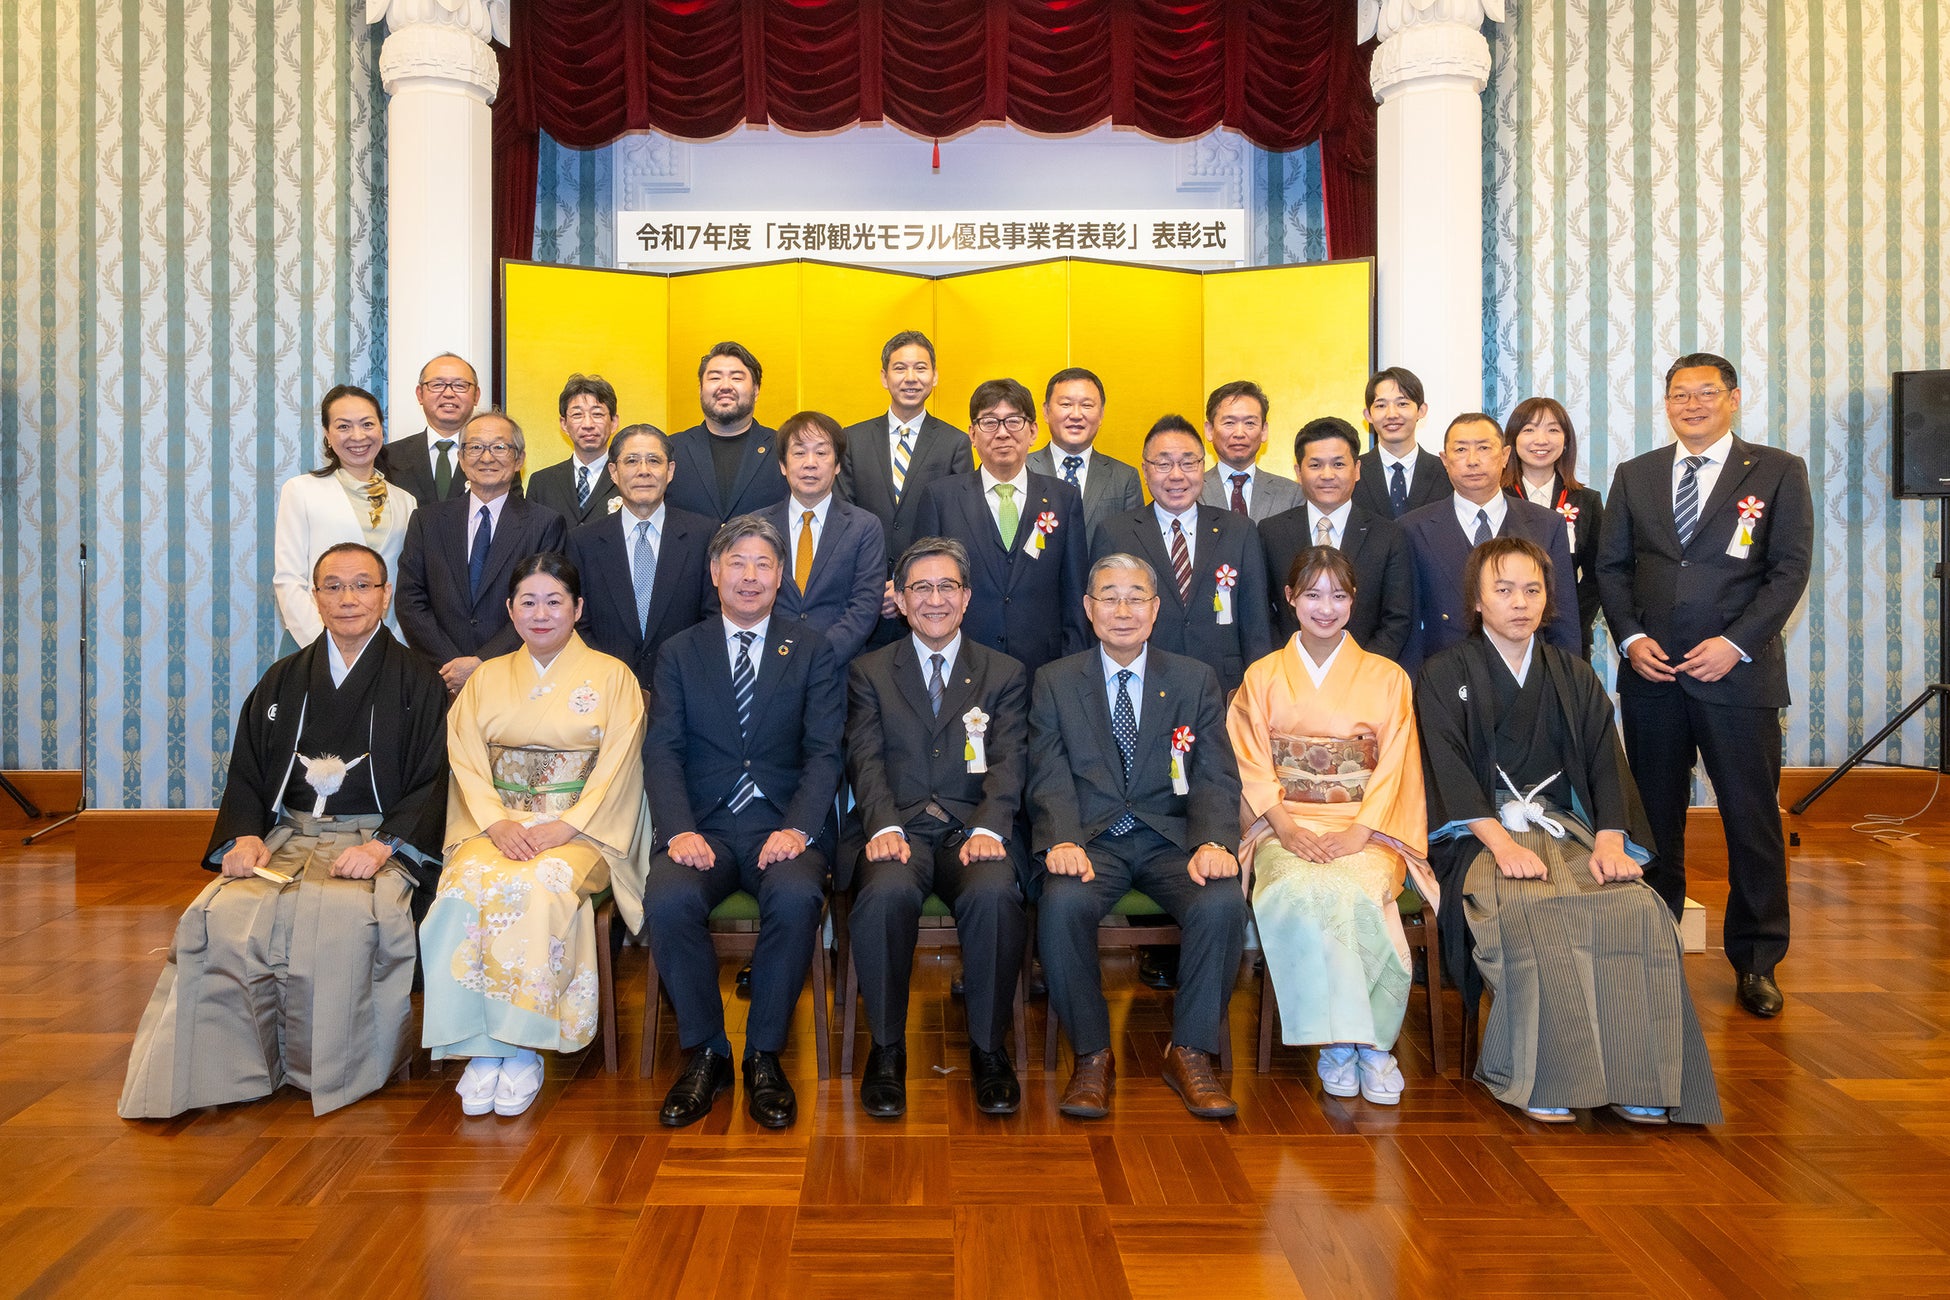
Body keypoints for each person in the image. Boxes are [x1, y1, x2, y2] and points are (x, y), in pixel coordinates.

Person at [120, 543, 450, 1118]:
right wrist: (245, 835)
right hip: (289, 837)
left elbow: (434, 777)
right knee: (221, 916)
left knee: (344, 920)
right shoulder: (284, 679)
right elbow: (248, 770)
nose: (348, 599)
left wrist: (383, 847)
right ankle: (231, 1071)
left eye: (363, 585)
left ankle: (330, 1072)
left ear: (385, 595)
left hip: (374, 841)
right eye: (333, 586)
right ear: (315, 598)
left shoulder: (418, 681)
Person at [1418, 537, 1721, 1124]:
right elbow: (1444, 768)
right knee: (1532, 910)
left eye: (1532, 590)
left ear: (1548, 599)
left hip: (1564, 831)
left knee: (1636, 907)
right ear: (1476, 600)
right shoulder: (1442, 674)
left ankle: (1640, 1074)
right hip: (1479, 837)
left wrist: (1610, 839)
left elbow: (1607, 762)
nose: (1520, 603)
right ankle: (1543, 1074)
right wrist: (1501, 844)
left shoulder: (1573, 675)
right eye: (1504, 590)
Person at [1597, 352, 1813, 1019]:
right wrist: (1631, 639)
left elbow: (1788, 570)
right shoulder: (1635, 474)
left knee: (1751, 821)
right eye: (1679, 394)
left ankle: (1756, 960)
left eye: (1706, 393)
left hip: (1737, 678)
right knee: (1654, 820)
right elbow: (1612, 568)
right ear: (1666, 403)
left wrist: (1735, 645)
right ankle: (1655, 944)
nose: (1692, 405)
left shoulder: (1776, 470)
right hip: (1654, 676)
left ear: (1734, 398)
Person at [418, 553, 649, 1117]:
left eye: (554, 601)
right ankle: (479, 1047)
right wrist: (496, 822)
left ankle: (523, 1046)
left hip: (580, 830)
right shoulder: (486, 678)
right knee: (459, 891)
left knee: (537, 888)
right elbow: (464, 759)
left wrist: (566, 825)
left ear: (578, 608)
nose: (541, 614)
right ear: (510, 610)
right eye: (528, 602)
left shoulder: (613, 677)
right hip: (495, 824)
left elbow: (619, 765)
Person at [639, 516, 845, 1130]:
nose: (749, 576)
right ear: (714, 572)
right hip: (701, 826)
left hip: (781, 824)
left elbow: (824, 754)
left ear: (781, 577)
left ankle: (763, 1054)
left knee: (798, 895)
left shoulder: (813, 649)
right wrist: (678, 829)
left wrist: (799, 828)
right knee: (669, 898)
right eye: (737, 563)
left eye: (763, 565)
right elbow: (663, 751)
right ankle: (707, 1051)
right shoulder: (680, 652)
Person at [1028, 554, 1247, 1120]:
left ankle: (1191, 1052)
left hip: (1171, 839)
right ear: (1088, 607)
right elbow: (1047, 771)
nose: (1122, 610)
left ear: (1155, 609)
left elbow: (1216, 773)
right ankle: (1093, 1055)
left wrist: (1213, 842)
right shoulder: (1055, 681)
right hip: (1092, 841)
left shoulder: (1194, 678)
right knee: (1061, 902)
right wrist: (1062, 838)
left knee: (1222, 901)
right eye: (1109, 597)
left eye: (1135, 598)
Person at [1225, 546, 1434, 1105]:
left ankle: (1374, 1044)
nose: (1326, 607)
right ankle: (1338, 1044)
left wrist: (1359, 833)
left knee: (1356, 891)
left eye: (1338, 596)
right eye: (1312, 594)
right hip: (1282, 823)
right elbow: (1249, 762)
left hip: (1367, 826)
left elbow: (1396, 766)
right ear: (1290, 598)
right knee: (1295, 889)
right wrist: (1285, 828)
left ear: (1353, 601)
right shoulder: (1262, 676)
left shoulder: (1388, 677)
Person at [844, 537, 1030, 1118]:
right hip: (896, 827)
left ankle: (989, 1049)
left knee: (995, 894)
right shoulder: (870, 671)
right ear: (899, 600)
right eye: (920, 587)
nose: (934, 599)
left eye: (947, 586)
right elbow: (865, 759)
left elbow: (1010, 762)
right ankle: (887, 1049)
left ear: (967, 597)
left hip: (971, 830)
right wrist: (881, 824)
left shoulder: (1004, 672)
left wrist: (990, 828)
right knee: (884, 894)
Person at [912, 378, 1088, 678]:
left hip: (1044, 668)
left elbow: (1074, 595)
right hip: (963, 664)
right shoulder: (940, 498)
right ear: (972, 433)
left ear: (1033, 431)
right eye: (989, 422)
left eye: (1014, 421)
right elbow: (924, 590)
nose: (1003, 432)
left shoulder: (1064, 498)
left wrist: (1073, 669)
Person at [1092, 415, 1271, 692]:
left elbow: (1256, 626)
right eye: (1163, 464)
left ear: (1202, 466)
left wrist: (1258, 694)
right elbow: (1101, 618)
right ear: (1145, 470)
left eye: (1188, 463)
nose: (1176, 475)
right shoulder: (1115, 533)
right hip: (1145, 685)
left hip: (1224, 686)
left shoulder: (1239, 530)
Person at [396, 410, 567, 695]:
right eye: (475, 447)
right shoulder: (427, 521)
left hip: (514, 677)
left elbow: (543, 605)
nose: (486, 458)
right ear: (461, 458)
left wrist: (482, 663)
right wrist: (452, 665)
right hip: (440, 678)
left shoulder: (545, 524)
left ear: (519, 460)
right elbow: (409, 600)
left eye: (499, 447)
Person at [1397, 412, 1578, 673]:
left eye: (1483, 448)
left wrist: (1566, 682)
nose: (1472, 460)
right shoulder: (1412, 528)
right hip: (1443, 676)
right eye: (1460, 450)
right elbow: (1407, 624)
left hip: (1528, 675)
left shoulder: (1546, 524)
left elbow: (1563, 617)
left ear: (1505, 456)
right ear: (1445, 460)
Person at [837, 330, 973, 649]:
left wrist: (908, 585)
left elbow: (956, 527)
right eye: (900, 368)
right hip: (863, 603)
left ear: (934, 376)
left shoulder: (955, 443)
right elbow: (843, 519)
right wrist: (874, 588)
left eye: (920, 368)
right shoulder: (852, 439)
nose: (911, 378)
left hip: (930, 602)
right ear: (884, 377)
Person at [565, 424, 716, 692]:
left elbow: (713, 617)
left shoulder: (704, 535)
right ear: (613, 472)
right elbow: (577, 621)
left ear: (670, 470)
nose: (643, 470)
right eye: (632, 461)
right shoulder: (583, 541)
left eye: (654, 461)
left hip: (685, 687)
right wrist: (609, 676)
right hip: (605, 689)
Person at [1259, 416, 1417, 662]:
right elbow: (1262, 612)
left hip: (1365, 673)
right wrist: (1288, 665)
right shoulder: (1271, 532)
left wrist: (1360, 670)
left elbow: (1397, 618)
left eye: (1339, 464)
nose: (1327, 474)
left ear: (1357, 470)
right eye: (1315, 465)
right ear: (1298, 472)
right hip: (1289, 671)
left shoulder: (1388, 535)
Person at [274, 384, 417, 647]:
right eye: (343, 426)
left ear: (381, 429)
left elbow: (404, 586)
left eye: (367, 424)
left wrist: (392, 646)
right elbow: (289, 579)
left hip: (385, 647)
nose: (358, 436)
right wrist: (328, 646)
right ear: (327, 435)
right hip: (312, 641)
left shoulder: (405, 501)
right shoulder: (301, 491)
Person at [761, 411, 887, 665]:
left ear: (838, 464)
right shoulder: (757, 525)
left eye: (821, 452)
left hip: (838, 670)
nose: (810, 463)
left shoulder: (864, 526)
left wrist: (817, 659)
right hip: (769, 664)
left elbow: (864, 607)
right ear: (783, 465)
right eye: (799, 453)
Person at [1502, 397, 1605, 657]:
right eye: (1529, 429)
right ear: (1512, 440)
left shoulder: (1586, 501)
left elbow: (1597, 574)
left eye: (1552, 430)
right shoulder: (1497, 498)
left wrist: (1569, 617)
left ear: (1566, 441)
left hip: (1567, 635)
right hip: (1505, 631)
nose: (1541, 440)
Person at [666, 342, 787, 522]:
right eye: (715, 378)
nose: (725, 386)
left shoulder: (783, 448)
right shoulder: (671, 449)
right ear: (700, 389)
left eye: (736, 378)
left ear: (756, 390)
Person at [1027, 367, 1144, 534]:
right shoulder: (1022, 469)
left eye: (1086, 405)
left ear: (1101, 413)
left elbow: (1131, 543)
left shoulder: (1124, 478)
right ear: (1046, 411)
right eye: (1066, 404)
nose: (1076, 415)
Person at [377, 353, 479, 505]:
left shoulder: (497, 457)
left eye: (460, 385)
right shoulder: (388, 457)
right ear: (420, 394)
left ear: (476, 395)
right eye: (437, 385)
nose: (449, 393)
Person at [1351, 367, 1451, 520]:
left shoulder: (1446, 472)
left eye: (1402, 404)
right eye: (1381, 405)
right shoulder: (1352, 472)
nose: (1392, 414)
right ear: (1368, 415)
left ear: (1421, 410)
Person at [525, 374, 623, 525]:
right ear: (564, 424)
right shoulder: (541, 483)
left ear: (614, 422)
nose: (588, 424)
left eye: (597, 414)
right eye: (577, 415)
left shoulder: (629, 477)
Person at [1199, 380, 1302, 521]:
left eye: (1249, 423)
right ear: (1209, 430)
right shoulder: (1191, 491)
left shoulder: (1292, 494)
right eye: (1229, 423)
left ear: (1264, 431)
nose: (1239, 433)